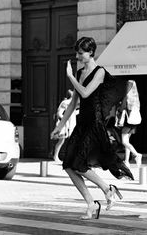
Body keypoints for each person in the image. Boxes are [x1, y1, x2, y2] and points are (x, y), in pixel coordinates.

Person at [51, 37, 134, 220]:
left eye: (81, 53)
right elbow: (73, 104)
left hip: (94, 124)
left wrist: (71, 77)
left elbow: (86, 92)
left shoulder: (100, 72)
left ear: (91, 53)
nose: (77, 56)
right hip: (82, 123)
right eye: (77, 53)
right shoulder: (81, 72)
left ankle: (107, 188)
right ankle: (91, 202)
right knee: (68, 164)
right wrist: (60, 126)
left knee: (79, 164)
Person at [115, 80, 142, 168]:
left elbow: (121, 108)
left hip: (127, 121)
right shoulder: (136, 97)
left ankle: (136, 154)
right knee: (128, 141)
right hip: (134, 122)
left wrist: (119, 108)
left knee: (124, 141)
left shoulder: (127, 96)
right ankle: (126, 161)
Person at [52, 89, 76, 163]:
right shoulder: (65, 103)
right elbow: (59, 113)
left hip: (70, 125)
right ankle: (56, 156)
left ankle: (68, 157)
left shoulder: (72, 103)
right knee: (61, 141)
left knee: (66, 141)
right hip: (64, 125)